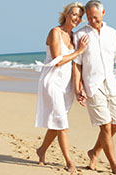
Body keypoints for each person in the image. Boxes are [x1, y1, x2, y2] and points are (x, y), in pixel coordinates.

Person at [72, 1, 116, 174]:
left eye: (96, 16)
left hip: (111, 84)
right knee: (106, 126)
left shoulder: (113, 34)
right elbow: (77, 65)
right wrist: (78, 87)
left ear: (103, 13)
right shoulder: (80, 35)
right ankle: (114, 165)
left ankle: (94, 151)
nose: (93, 20)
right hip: (92, 86)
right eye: (89, 17)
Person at [35, 2, 89, 173]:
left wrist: (78, 87)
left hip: (66, 86)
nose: (77, 19)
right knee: (62, 124)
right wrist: (79, 51)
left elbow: (74, 66)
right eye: (74, 14)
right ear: (66, 14)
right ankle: (69, 162)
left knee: (57, 122)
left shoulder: (73, 36)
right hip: (51, 82)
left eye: (80, 16)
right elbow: (58, 60)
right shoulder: (54, 32)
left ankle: (41, 150)